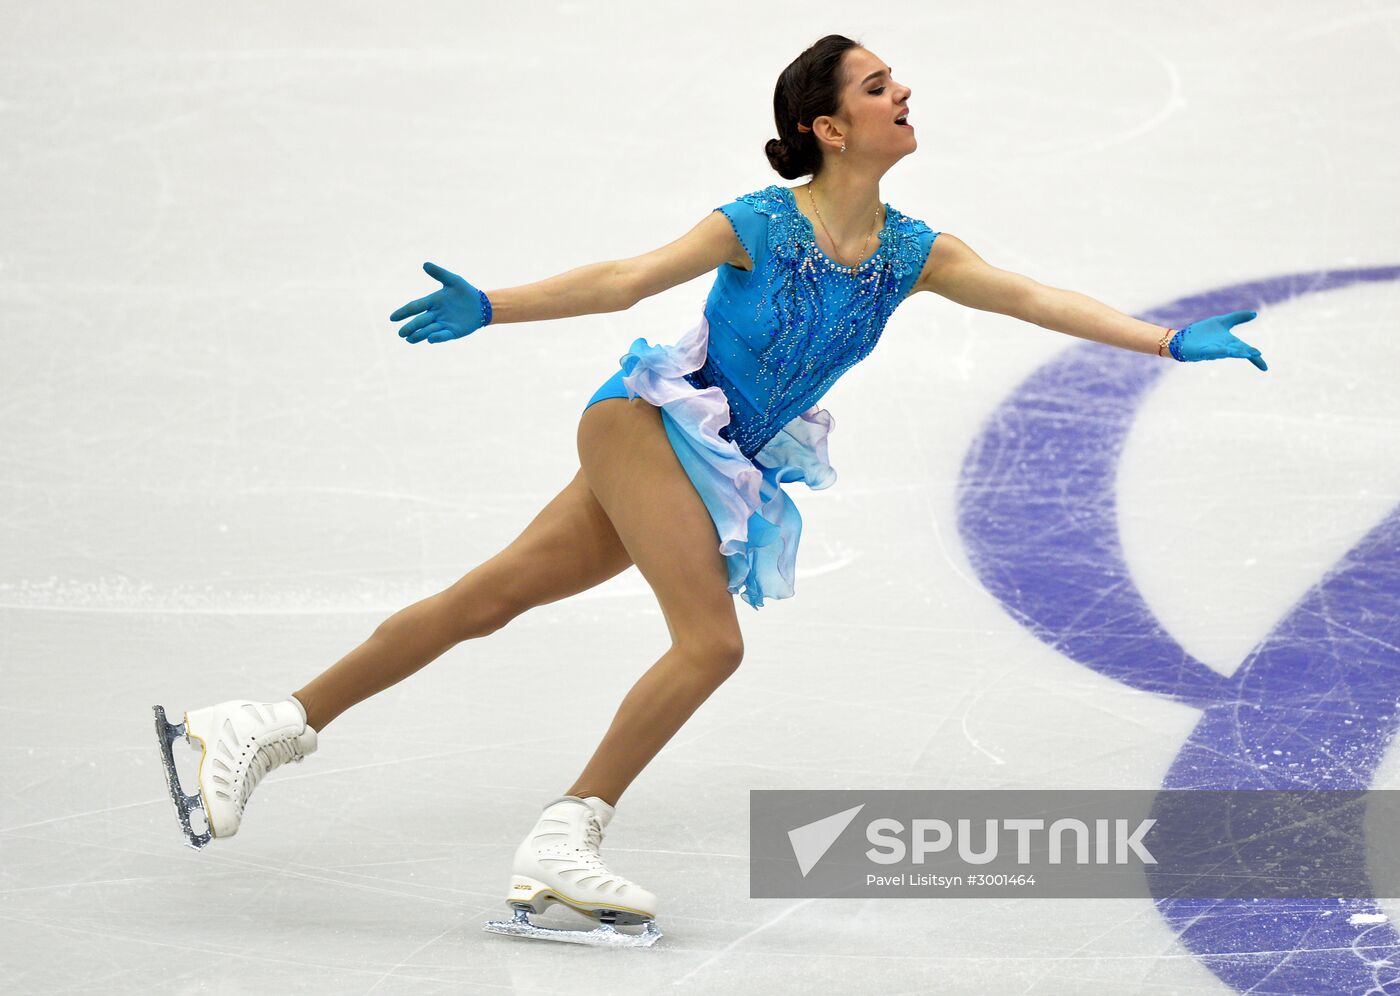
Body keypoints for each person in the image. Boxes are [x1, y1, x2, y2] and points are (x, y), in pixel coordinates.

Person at [151, 34, 1267, 948]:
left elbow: (1033, 298)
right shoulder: (760, 223)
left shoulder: (913, 250)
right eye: (879, 86)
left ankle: (255, 723)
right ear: (829, 127)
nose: (903, 91)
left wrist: (1165, 341)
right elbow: (624, 280)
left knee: (486, 598)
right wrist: (491, 303)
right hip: (642, 421)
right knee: (710, 645)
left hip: (714, 459)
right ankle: (564, 838)